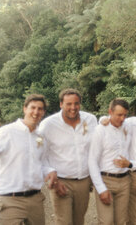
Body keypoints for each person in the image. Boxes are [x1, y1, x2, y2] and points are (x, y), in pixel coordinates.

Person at [0, 94, 57, 225]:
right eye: (33, 108)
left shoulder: (41, 137)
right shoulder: (6, 132)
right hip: (10, 201)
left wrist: (50, 170)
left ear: (43, 112)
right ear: (24, 108)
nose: (36, 112)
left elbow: (41, 163)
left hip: (35, 200)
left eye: (40, 109)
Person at [39, 88, 97, 225]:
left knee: (79, 220)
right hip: (61, 182)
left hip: (84, 181)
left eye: (76, 103)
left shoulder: (91, 120)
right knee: (64, 221)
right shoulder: (48, 125)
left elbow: (97, 147)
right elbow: (40, 154)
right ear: (61, 104)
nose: (73, 107)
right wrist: (51, 176)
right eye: (68, 104)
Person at [88, 99, 132, 225]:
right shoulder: (100, 130)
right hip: (106, 180)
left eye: (125, 115)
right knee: (106, 222)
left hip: (124, 182)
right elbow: (92, 161)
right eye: (119, 115)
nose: (122, 118)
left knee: (121, 221)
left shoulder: (128, 126)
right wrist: (101, 188)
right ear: (110, 112)